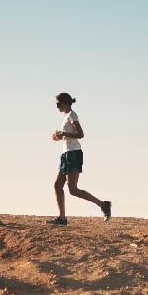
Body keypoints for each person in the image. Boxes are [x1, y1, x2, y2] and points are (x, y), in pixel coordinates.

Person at [48, 92, 112, 224]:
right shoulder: (66, 117)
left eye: (58, 104)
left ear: (66, 103)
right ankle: (62, 218)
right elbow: (70, 136)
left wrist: (63, 133)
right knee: (57, 185)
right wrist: (59, 137)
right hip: (66, 154)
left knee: (73, 190)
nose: (57, 107)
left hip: (74, 154)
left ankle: (103, 205)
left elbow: (80, 134)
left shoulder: (72, 115)